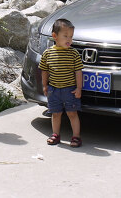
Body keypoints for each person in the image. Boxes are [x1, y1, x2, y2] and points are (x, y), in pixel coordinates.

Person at [39, 18, 83, 148]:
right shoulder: (48, 53)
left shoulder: (73, 53)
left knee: (72, 113)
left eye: (71, 36)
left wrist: (79, 88)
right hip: (54, 90)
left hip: (70, 90)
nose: (69, 39)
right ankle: (55, 134)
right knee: (56, 113)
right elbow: (44, 70)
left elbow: (78, 71)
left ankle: (76, 136)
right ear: (55, 36)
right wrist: (45, 85)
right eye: (65, 36)